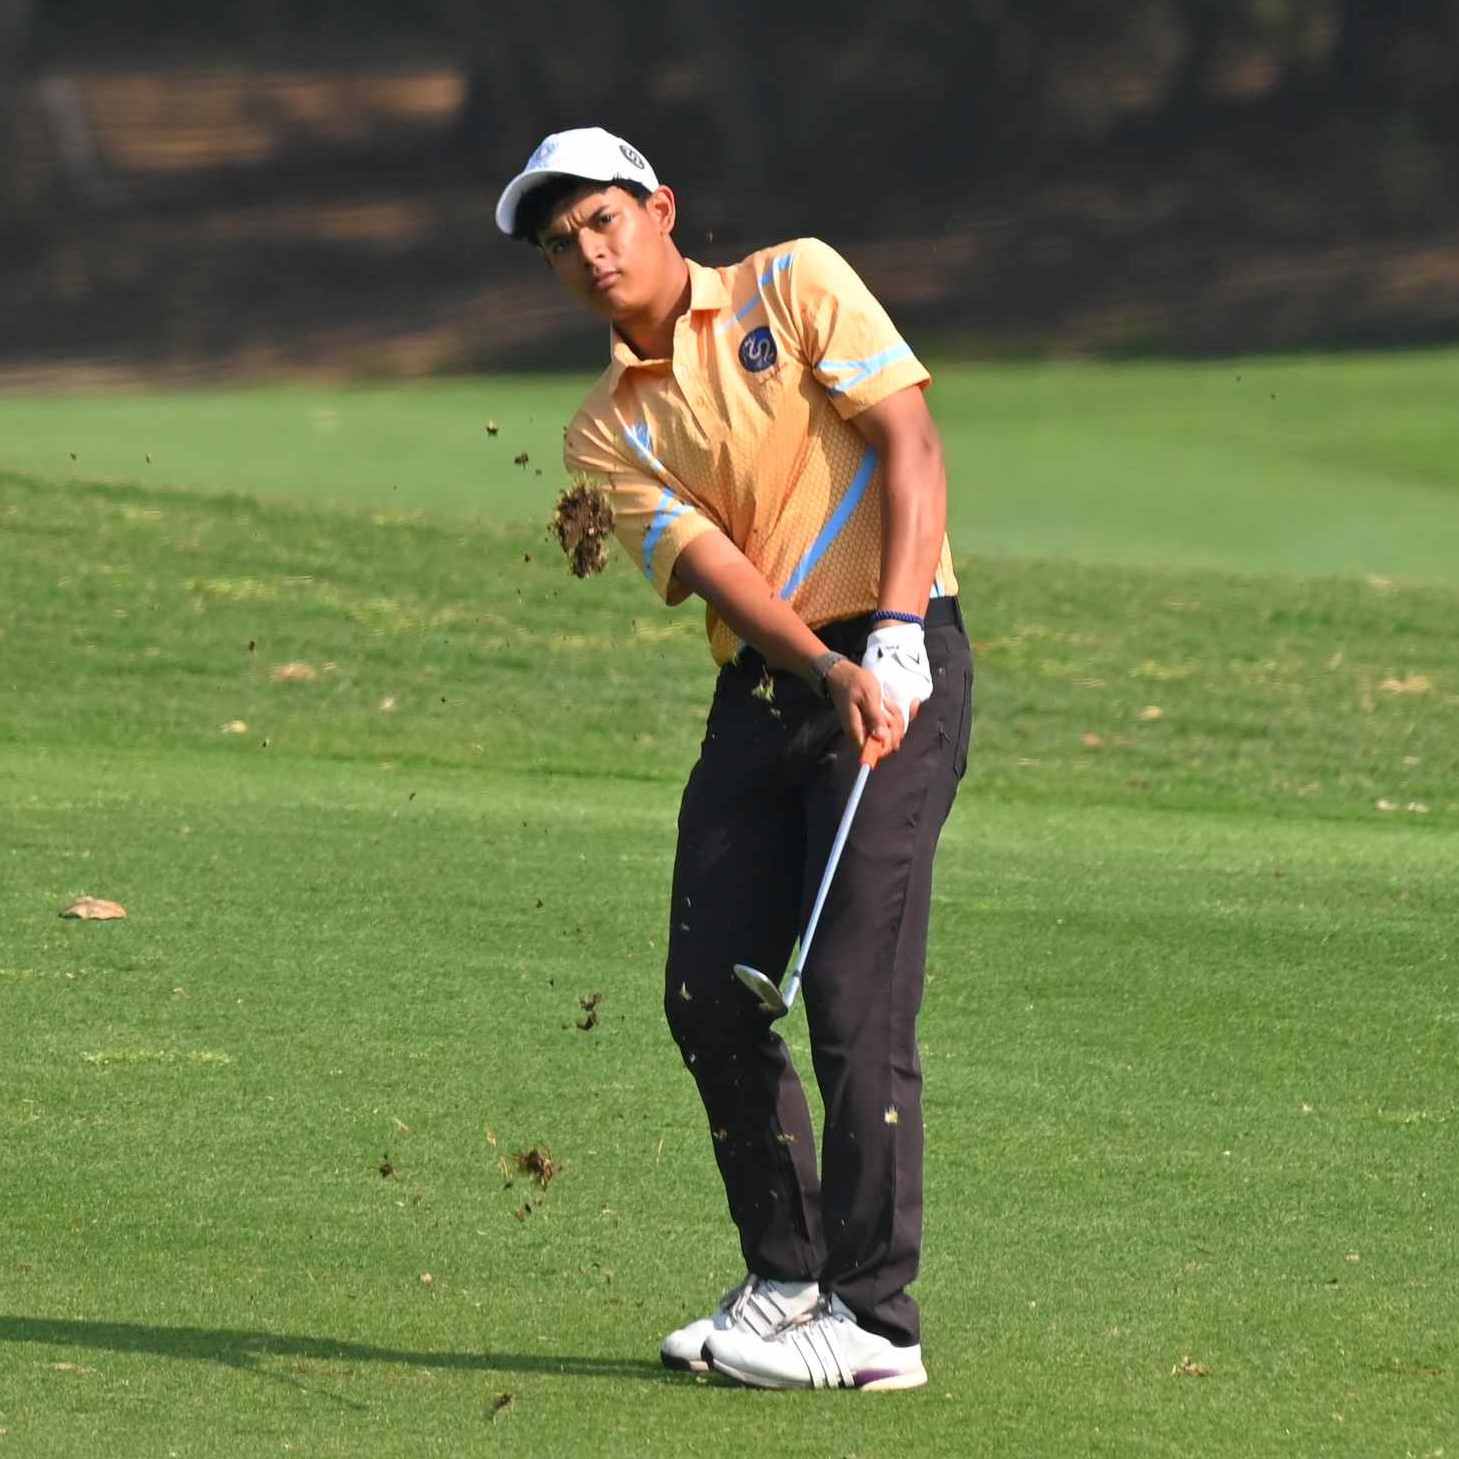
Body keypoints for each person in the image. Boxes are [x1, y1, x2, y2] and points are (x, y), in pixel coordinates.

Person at [495, 128, 972, 1391]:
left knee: (852, 991)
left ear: (659, 208)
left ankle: (875, 1324)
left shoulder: (791, 282)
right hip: (777, 684)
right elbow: (714, 569)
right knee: (707, 989)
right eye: (560, 244)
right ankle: (788, 1276)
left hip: (902, 652)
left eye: (602, 220)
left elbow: (911, 442)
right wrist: (823, 668)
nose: (588, 253)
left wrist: (895, 633)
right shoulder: (604, 432)